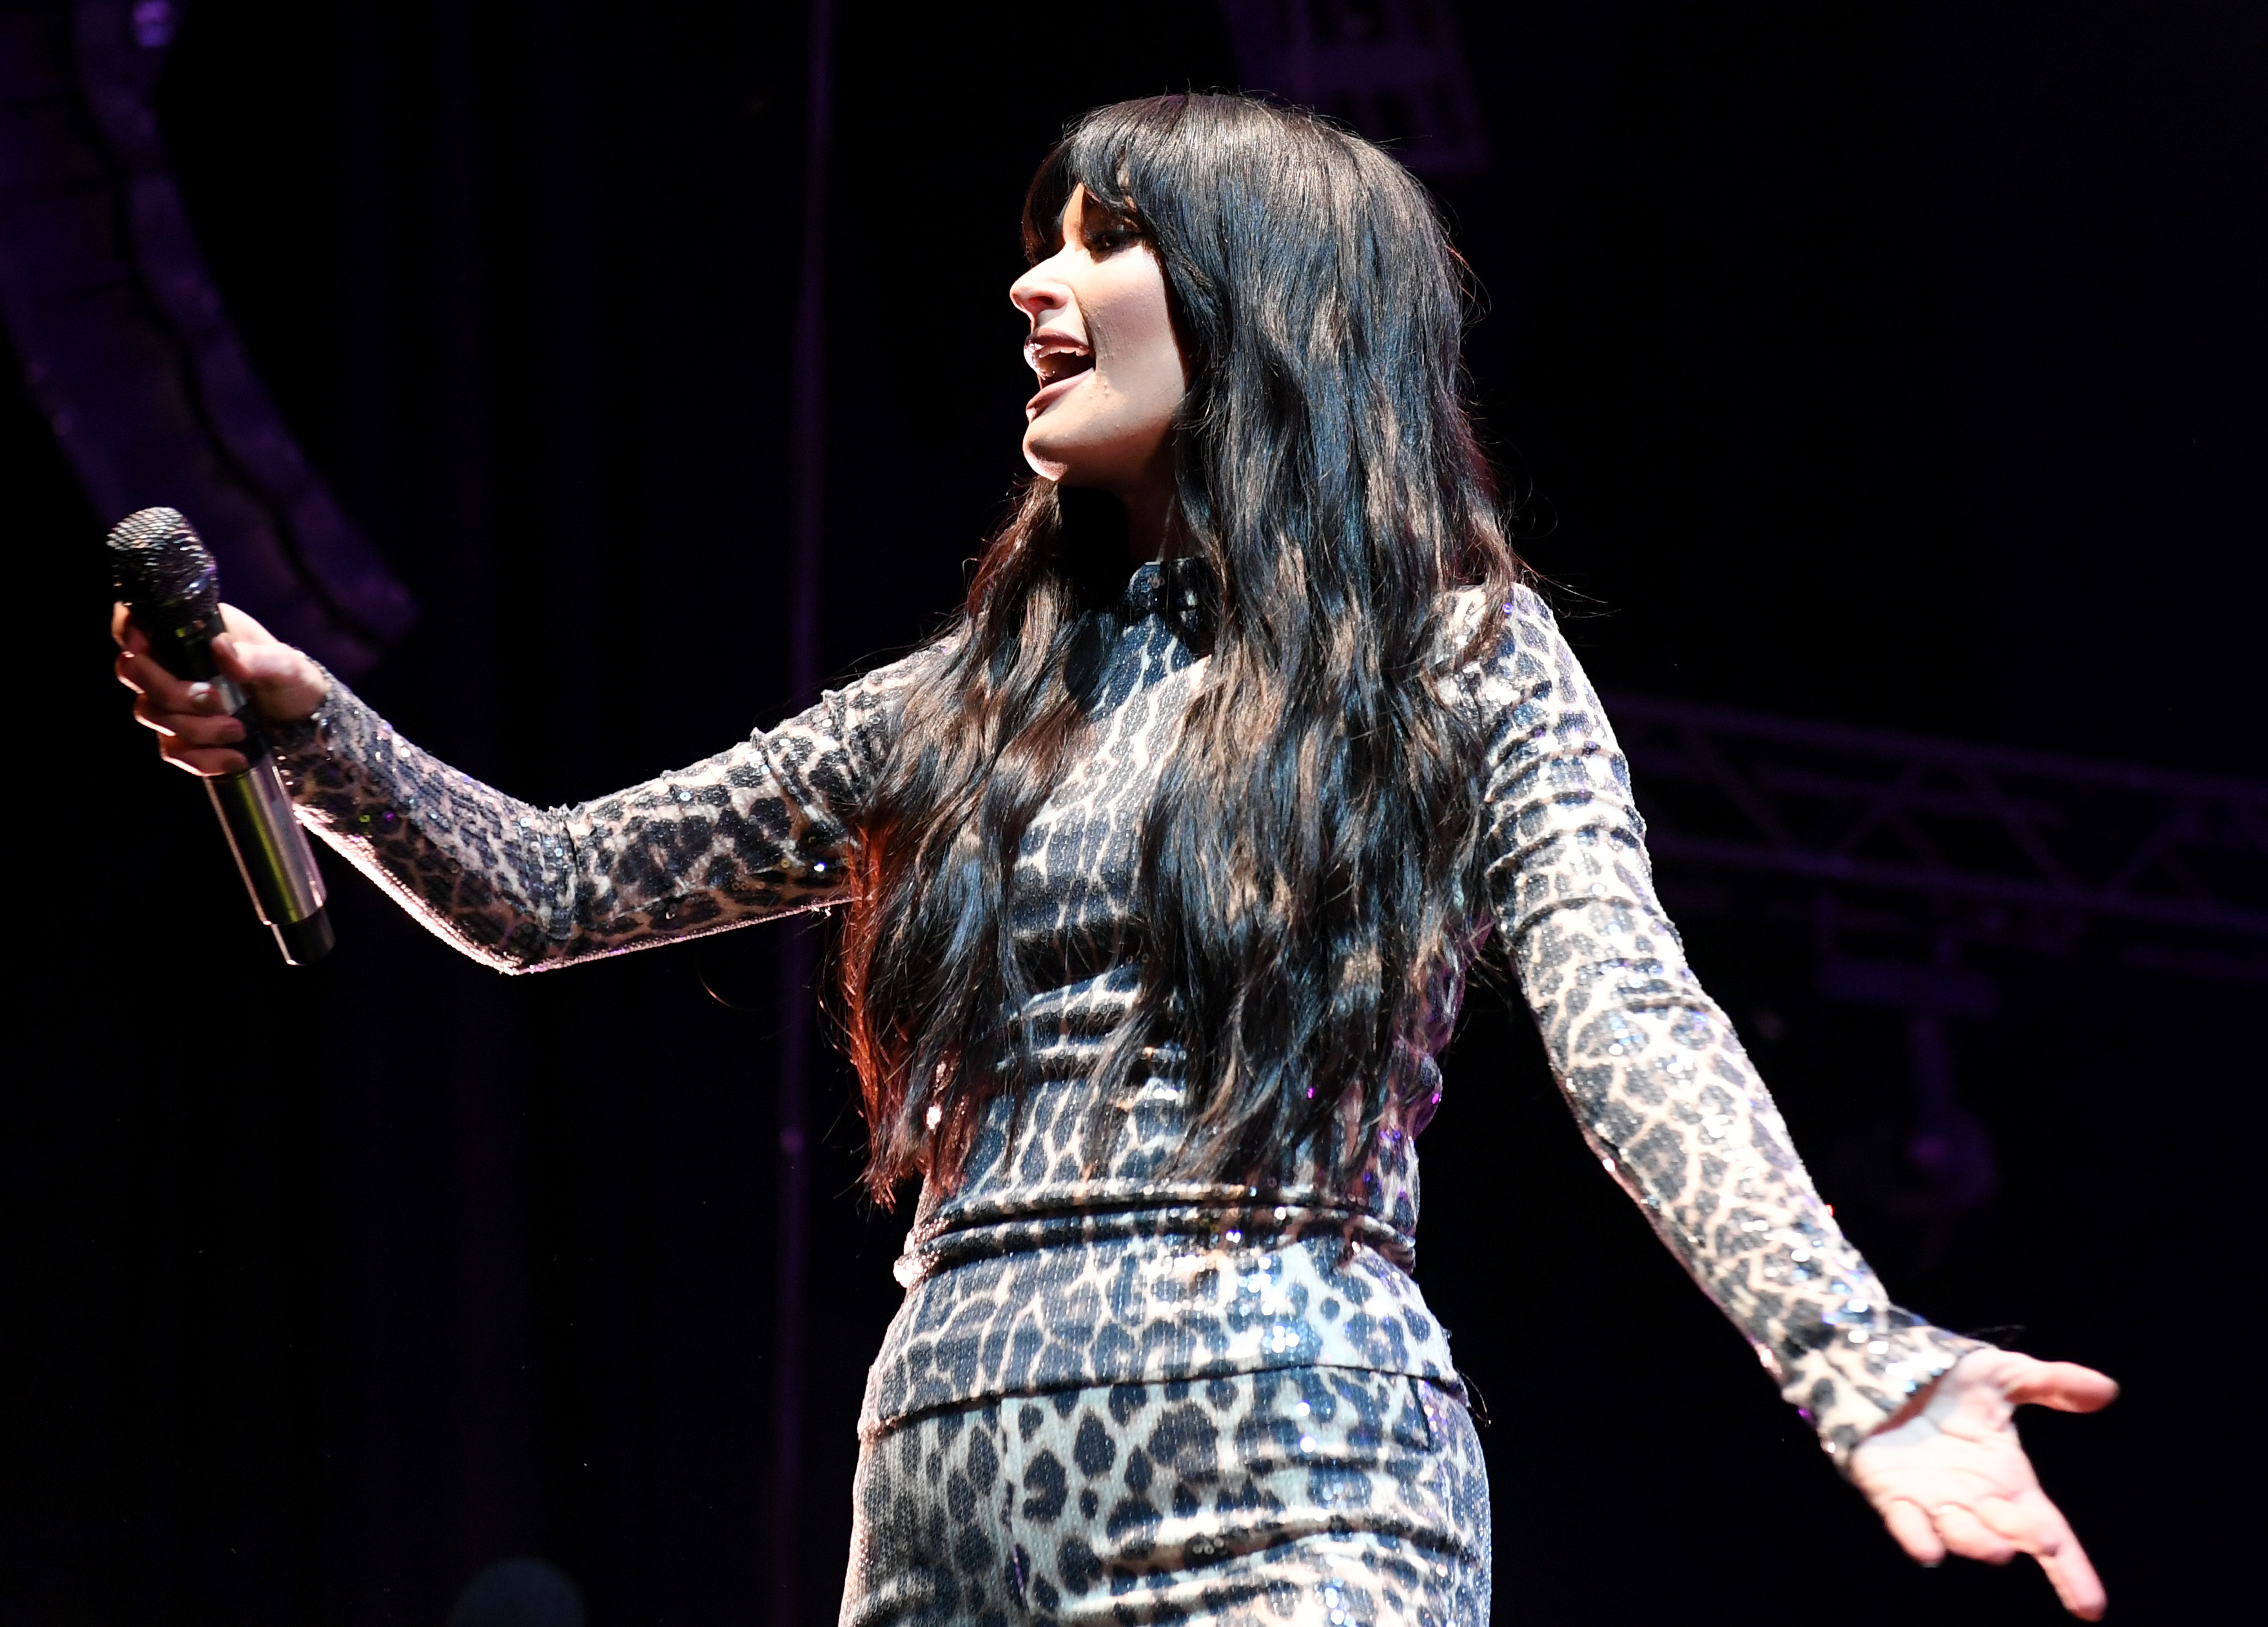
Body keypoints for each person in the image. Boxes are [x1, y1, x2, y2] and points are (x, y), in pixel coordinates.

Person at [114, 94, 2116, 1626]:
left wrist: (1860, 1356)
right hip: (946, 1480)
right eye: (1038, 246)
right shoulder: (962, 704)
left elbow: (1631, 1020)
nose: (1030, 286)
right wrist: (313, 732)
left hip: (1296, 1472)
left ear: (1268, 302)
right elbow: (544, 891)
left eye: (1109, 240)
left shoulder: (1457, 655)